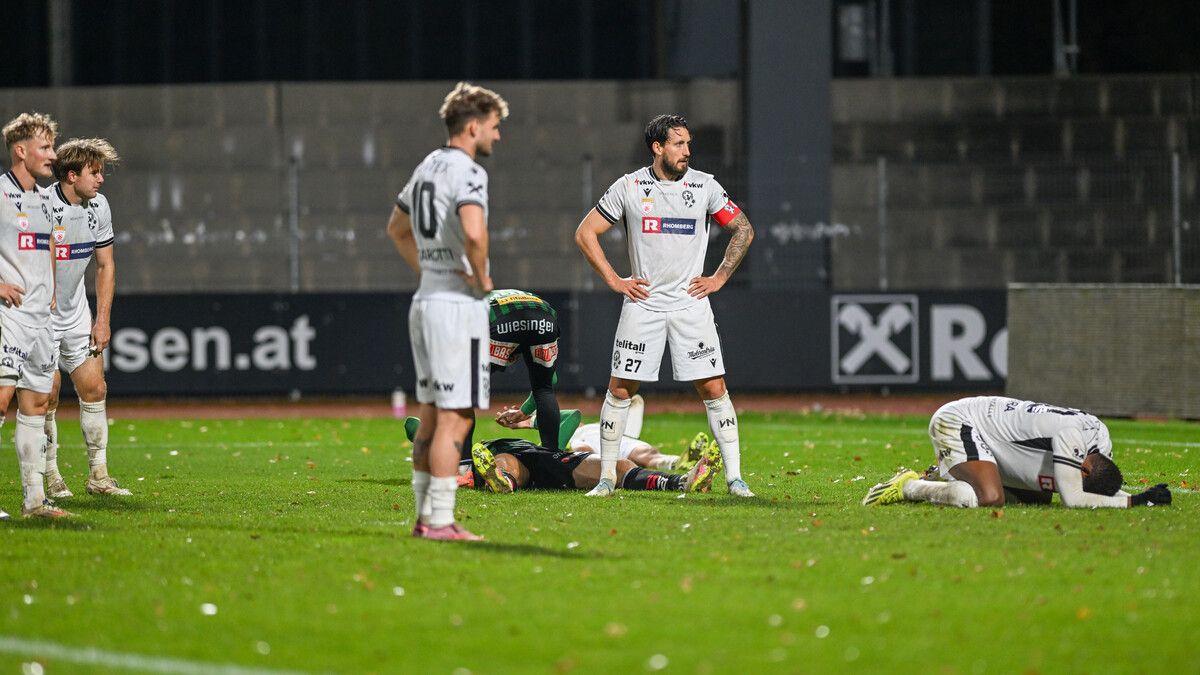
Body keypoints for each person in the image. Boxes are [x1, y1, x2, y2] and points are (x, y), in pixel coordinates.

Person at [574, 114, 755, 497]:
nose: (687, 151)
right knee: (620, 390)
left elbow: (743, 228)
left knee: (714, 387)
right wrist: (614, 279)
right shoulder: (629, 187)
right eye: (678, 144)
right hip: (644, 306)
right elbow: (585, 232)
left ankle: (736, 479)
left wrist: (719, 277)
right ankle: (607, 479)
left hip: (691, 305)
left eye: (688, 143)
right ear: (657, 148)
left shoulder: (705, 186)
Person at [387, 82, 507, 541]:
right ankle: (440, 520)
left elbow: (396, 228)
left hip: (426, 300)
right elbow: (475, 234)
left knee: (433, 413)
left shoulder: (427, 166)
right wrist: (480, 277)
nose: (497, 137)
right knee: (456, 417)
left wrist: (430, 270)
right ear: (473, 127)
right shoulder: (468, 171)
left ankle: (424, 518)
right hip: (457, 308)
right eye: (494, 128)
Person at [862, 395, 1173, 509]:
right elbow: (1074, 499)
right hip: (961, 420)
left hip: (993, 434)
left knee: (1038, 496)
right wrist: (1135, 500)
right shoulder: (1071, 437)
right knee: (987, 498)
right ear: (1086, 469)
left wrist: (1123, 498)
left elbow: (1085, 489)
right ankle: (909, 486)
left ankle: (952, 472)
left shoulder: (1101, 440)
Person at [43, 138, 130, 499]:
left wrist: (102, 320)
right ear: (72, 174)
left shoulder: (99, 207)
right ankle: (49, 476)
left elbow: (106, 264)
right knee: (45, 398)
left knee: (95, 389)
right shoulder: (42, 206)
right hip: (41, 316)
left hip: (77, 312)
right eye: (94, 173)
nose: (101, 180)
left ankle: (99, 476)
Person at [0, 112, 71, 519]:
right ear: (20, 150)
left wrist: (53, 292)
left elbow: (46, 248)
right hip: (8, 314)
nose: (52, 154)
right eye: (44, 147)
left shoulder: (46, 199)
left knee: (37, 402)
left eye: (52, 146)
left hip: (42, 319)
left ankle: (34, 500)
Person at [496, 394, 707, 471]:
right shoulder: (579, 430)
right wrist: (520, 423)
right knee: (584, 452)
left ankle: (677, 463)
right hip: (589, 443)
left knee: (647, 453)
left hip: (619, 439)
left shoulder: (605, 424)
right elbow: (550, 421)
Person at [464, 436, 721, 495]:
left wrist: (525, 418)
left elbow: (565, 417)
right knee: (506, 462)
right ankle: (501, 480)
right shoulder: (472, 450)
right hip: (510, 457)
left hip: (544, 456)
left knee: (619, 466)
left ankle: (682, 482)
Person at [483, 288, 566, 450]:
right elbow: (550, 380)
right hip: (545, 316)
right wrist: (524, 411)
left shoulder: (468, 307)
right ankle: (551, 457)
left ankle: (463, 467)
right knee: (544, 388)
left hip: (499, 318)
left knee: (463, 392)